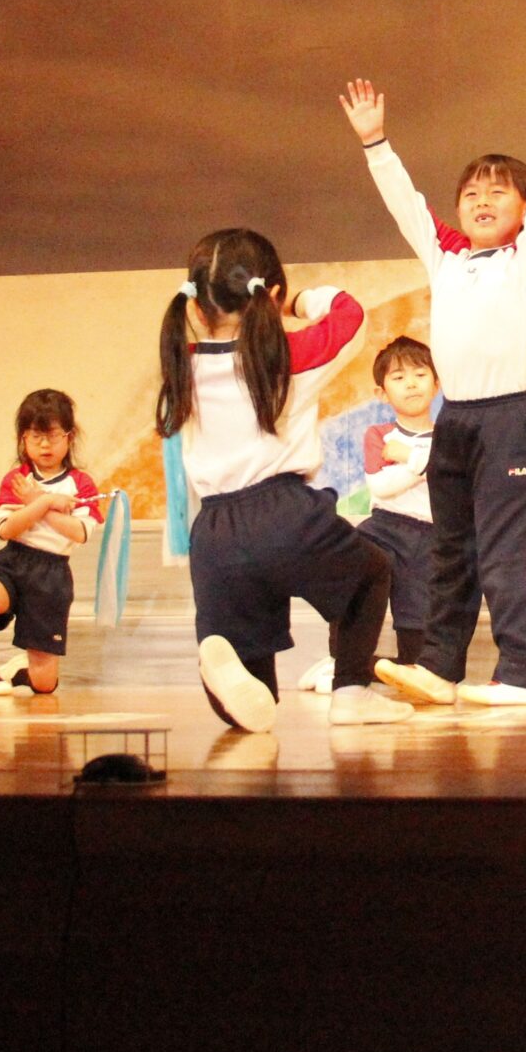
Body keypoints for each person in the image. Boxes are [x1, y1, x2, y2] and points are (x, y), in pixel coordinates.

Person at [341, 72, 526, 707]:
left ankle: (525, 673)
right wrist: (375, 142)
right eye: (470, 193)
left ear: (522, 210)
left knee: (505, 555)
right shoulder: (446, 260)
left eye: (498, 191)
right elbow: (407, 206)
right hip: (455, 423)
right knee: (451, 553)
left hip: (509, 420)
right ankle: (439, 667)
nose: (481, 199)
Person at [156, 227, 404, 731]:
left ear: (196, 307)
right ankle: (351, 693)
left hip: (215, 536)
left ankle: (220, 662)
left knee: (253, 699)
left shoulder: (181, 365)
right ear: (270, 295)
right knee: (371, 574)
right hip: (284, 515)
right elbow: (350, 316)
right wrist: (300, 302)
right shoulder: (288, 357)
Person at [297, 335, 445, 693]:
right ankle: (339, 662)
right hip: (385, 528)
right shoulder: (380, 434)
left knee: (416, 654)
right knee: (354, 576)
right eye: (399, 377)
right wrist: (430, 463)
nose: (411, 384)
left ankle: (368, 668)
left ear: (437, 383)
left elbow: (458, 477)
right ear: (382, 392)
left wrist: (410, 457)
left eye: (420, 375)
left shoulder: (448, 436)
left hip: (432, 540)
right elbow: (382, 485)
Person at [0, 389, 104, 696]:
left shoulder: (81, 483)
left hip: (51, 576)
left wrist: (38, 501)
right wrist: (43, 502)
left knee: (44, 685)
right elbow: (7, 529)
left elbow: (80, 533)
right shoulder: (17, 480)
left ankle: (19, 672)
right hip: (13, 560)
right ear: (23, 439)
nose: (44, 445)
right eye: (36, 436)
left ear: (69, 437)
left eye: (53, 436)